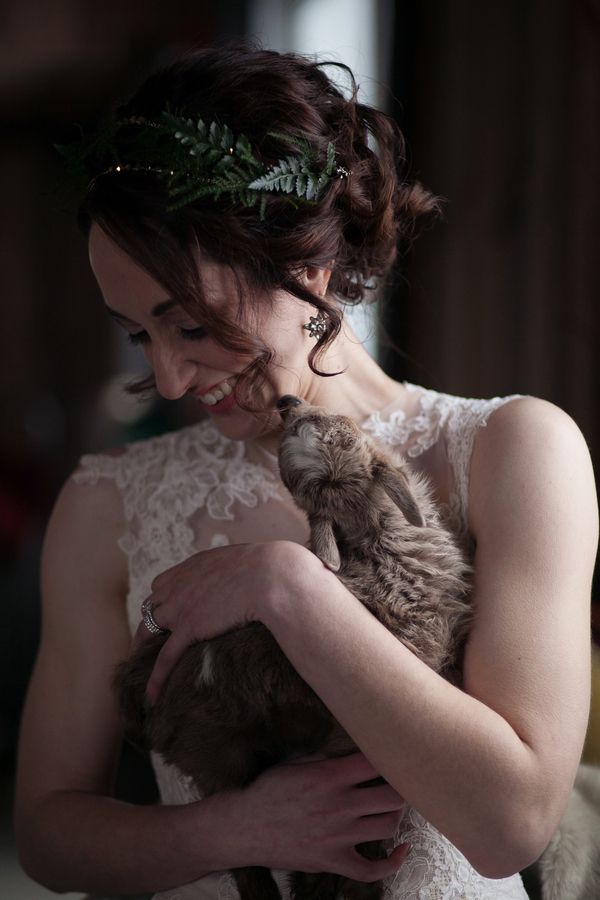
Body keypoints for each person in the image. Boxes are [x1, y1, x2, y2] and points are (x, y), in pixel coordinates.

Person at [14, 46, 597, 900]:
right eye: (140, 335)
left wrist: (286, 586)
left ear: (308, 268)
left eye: (193, 325)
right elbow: (45, 835)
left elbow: (511, 824)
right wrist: (231, 831)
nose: (170, 379)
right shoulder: (106, 503)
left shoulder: (516, 451)